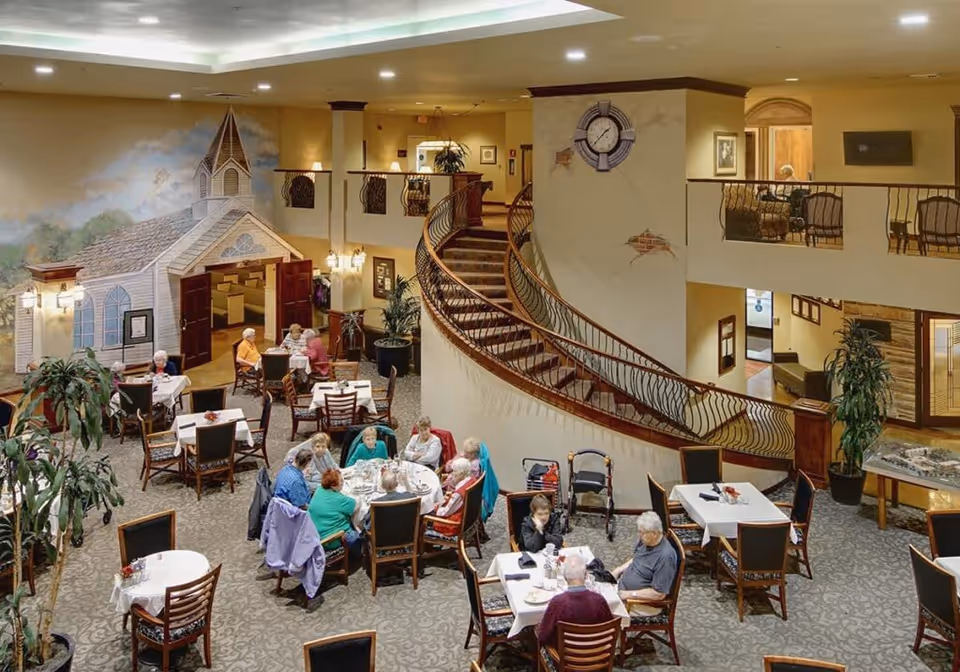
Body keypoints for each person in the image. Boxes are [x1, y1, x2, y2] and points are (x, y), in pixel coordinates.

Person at [536, 554, 614, 649]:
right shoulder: (599, 600)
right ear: (586, 575)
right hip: (596, 653)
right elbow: (610, 630)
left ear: (564, 577)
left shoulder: (557, 603)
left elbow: (543, 636)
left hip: (566, 657)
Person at [612, 511, 678, 615]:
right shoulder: (646, 541)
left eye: (642, 532)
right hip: (622, 589)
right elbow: (636, 558)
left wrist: (628, 594)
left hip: (642, 603)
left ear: (655, 533)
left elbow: (659, 594)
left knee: (601, 611)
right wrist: (618, 570)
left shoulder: (665, 557)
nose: (639, 535)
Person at [309, 468, 362, 560]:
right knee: (357, 534)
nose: (343, 483)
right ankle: (360, 555)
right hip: (331, 540)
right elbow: (356, 505)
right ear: (333, 486)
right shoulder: (337, 499)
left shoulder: (319, 490)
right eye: (341, 481)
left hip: (316, 534)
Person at [430, 458, 476, 536]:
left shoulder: (458, 493)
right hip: (468, 518)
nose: (452, 474)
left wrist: (436, 508)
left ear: (461, 474)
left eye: (454, 472)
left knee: (424, 515)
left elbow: (446, 512)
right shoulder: (472, 480)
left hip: (454, 525)